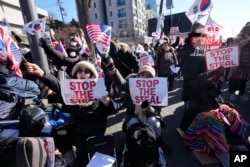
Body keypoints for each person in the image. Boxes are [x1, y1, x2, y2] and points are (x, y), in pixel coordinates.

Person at [25, 60, 116, 167]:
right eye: (79, 70)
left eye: (87, 71)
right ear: (75, 74)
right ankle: (70, 158)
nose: (83, 73)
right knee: (59, 133)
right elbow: (57, 85)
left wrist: (107, 103)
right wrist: (42, 74)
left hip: (95, 132)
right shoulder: (70, 91)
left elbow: (111, 111)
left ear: (91, 75)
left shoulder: (99, 90)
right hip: (78, 132)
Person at [107, 59, 171, 155]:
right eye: (142, 75)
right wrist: (112, 68)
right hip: (133, 114)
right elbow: (121, 84)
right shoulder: (133, 85)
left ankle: (158, 141)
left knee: (153, 122)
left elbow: (157, 111)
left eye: (148, 76)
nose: (145, 78)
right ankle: (130, 142)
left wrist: (148, 109)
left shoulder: (157, 89)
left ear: (153, 79)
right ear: (138, 76)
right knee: (133, 122)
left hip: (150, 114)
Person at [178, 22, 208, 110]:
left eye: (202, 27)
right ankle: (188, 106)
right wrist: (194, 46)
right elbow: (182, 54)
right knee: (189, 91)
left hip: (203, 71)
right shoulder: (188, 41)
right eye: (198, 27)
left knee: (201, 91)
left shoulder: (208, 41)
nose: (200, 29)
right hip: (190, 72)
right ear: (194, 29)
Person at [227, 23, 250, 102]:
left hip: (246, 65)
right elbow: (234, 47)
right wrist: (247, 40)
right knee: (234, 79)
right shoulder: (238, 38)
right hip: (236, 64)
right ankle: (232, 93)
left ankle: (241, 93)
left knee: (243, 81)